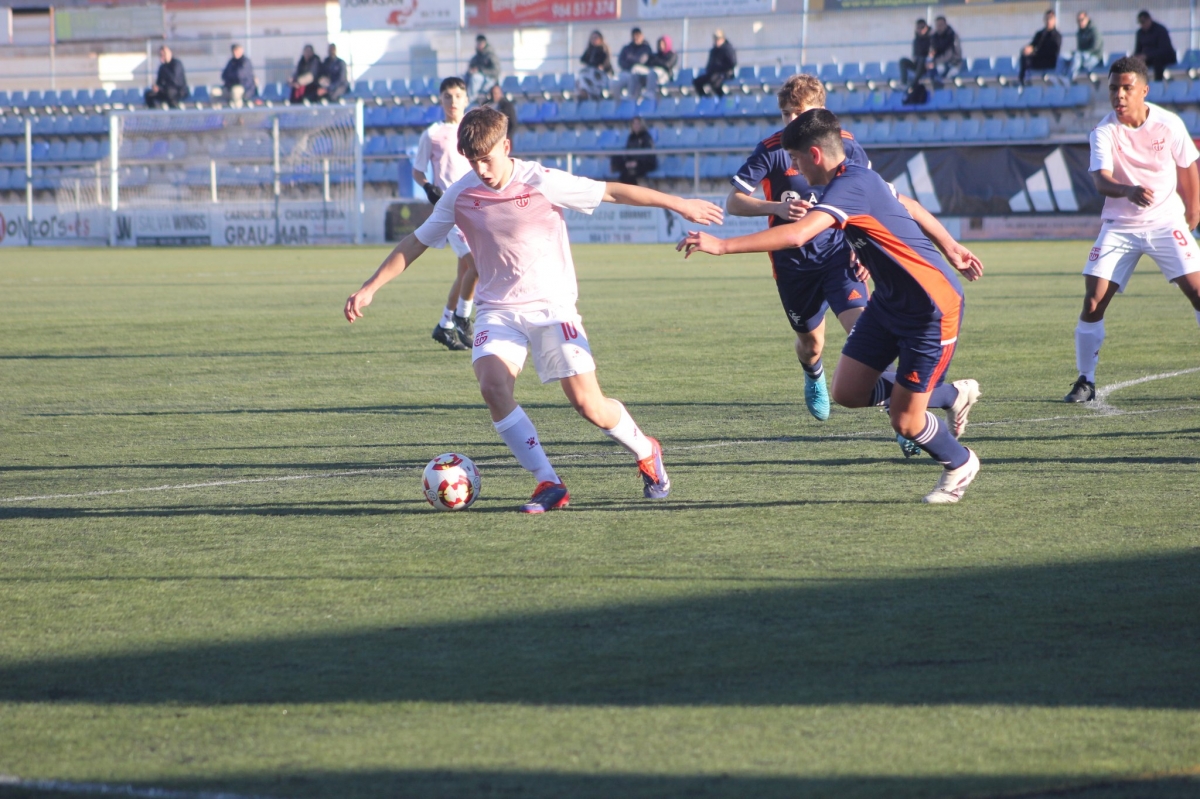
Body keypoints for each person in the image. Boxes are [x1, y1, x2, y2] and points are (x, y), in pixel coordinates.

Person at [345, 107, 723, 513]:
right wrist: (371, 287)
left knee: (588, 405)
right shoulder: (461, 194)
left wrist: (679, 204)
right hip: (498, 310)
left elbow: (612, 190)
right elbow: (416, 242)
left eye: (487, 158)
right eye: (473, 162)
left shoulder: (542, 181)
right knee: (492, 386)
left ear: (506, 146)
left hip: (552, 307)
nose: (482, 169)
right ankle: (548, 481)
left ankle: (645, 448)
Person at [683, 109, 985, 504]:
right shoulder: (853, 180)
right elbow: (907, 203)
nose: (791, 168)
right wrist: (951, 246)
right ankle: (950, 394)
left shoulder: (849, 186)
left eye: (794, 159)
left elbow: (797, 235)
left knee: (906, 421)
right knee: (847, 391)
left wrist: (721, 245)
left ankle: (960, 463)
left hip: (930, 310)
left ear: (814, 154)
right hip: (888, 303)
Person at [724, 73, 981, 444]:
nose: (791, 122)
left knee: (867, 340)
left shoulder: (845, 148)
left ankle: (911, 419)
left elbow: (882, 200)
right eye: (785, 114)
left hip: (839, 257)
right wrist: (775, 206)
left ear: (821, 113)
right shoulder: (773, 148)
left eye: (799, 113)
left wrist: (870, 247)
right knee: (812, 343)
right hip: (793, 264)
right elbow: (734, 201)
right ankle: (814, 374)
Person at [1064, 56, 1200, 403]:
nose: (1119, 95)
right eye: (1113, 88)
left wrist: (1194, 211)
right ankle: (1085, 380)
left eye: (1126, 88)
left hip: (1166, 221)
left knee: (1199, 292)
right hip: (1120, 226)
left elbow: (1188, 167)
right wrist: (1127, 190)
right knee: (1093, 301)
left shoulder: (1169, 125)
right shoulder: (1104, 131)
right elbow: (1100, 180)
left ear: (1143, 91)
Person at [413, 77, 480, 352]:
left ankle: (445, 324)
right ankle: (463, 317)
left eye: (457, 96)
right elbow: (418, 170)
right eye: (447, 97)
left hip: (476, 205)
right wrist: (428, 187)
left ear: (466, 99)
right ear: (440, 101)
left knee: (465, 271)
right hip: (451, 208)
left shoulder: (475, 128)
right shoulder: (432, 134)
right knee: (476, 264)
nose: (453, 101)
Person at [1019, 9, 1062, 85]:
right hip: (1038, 59)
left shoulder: (1057, 35)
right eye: (1047, 19)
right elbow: (1033, 44)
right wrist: (1028, 48)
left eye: (1050, 19)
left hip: (1049, 61)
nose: (1048, 21)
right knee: (1024, 56)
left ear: (1054, 20)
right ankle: (1023, 80)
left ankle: (1025, 80)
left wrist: (1035, 51)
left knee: (1029, 61)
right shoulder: (1040, 34)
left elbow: (1053, 51)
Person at [1061, 11, 1105, 83]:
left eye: (1082, 20)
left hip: (1094, 57)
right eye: (1078, 21)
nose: (1080, 22)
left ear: (1087, 19)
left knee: (1077, 56)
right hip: (1083, 57)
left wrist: (1082, 53)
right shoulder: (1079, 33)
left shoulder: (1094, 31)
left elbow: (1095, 48)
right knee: (1063, 57)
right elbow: (1079, 48)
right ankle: (1060, 78)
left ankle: (1069, 79)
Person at [611, 117, 656, 185]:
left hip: (644, 163)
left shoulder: (646, 137)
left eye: (638, 124)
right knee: (622, 168)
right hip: (632, 163)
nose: (636, 126)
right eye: (634, 124)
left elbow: (648, 154)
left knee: (631, 173)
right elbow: (628, 152)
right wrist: (628, 162)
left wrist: (637, 162)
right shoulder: (631, 137)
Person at [1135, 10, 1177, 82]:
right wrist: (1137, 57)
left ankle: (1158, 83)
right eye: (1140, 23)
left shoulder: (1160, 30)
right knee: (1136, 63)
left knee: (1157, 61)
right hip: (1149, 58)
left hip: (1165, 57)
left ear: (1149, 19)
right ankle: (1142, 83)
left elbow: (1164, 49)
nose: (1142, 25)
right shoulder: (1140, 33)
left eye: (1143, 22)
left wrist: (1147, 55)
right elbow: (1138, 49)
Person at [693, 30, 737, 97]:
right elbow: (710, 63)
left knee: (714, 81)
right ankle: (706, 98)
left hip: (724, 73)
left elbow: (732, 63)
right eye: (715, 39)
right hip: (713, 73)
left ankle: (722, 98)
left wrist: (720, 68)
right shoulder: (714, 50)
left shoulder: (728, 49)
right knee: (697, 82)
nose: (717, 41)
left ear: (723, 39)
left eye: (718, 39)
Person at [144, 45, 188, 109]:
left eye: (164, 54)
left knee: (170, 93)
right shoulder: (162, 67)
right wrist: (157, 87)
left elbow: (175, 81)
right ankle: (154, 114)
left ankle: (174, 113)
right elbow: (159, 81)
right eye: (161, 55)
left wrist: (162, 88)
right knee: (148, 94)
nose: (162, 56)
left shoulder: (176, 64)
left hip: (178, 91)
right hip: (164, 90)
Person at [617, 27, 654, 98]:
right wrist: (630, 64)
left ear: (642, 36)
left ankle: (630, 96)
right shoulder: (627, 48)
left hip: (643, 73)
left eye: (638, 35)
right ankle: (618, 103)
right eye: (634, 35)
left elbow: (642, 61)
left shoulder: (646, 48)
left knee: (635, 69)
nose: (635, 37)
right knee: (615, 82)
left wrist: (630, 61)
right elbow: (621, 61)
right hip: (627, 71)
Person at [577, 30, 613, 100]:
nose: (594, 40)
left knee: (588, 74)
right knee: (581, 75)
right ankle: (584, 93)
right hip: (591, 75)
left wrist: (598, 66)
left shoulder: (603, 50)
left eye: (596, 38)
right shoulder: (590, 50)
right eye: (592, 38)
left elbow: (605, 64)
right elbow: (583, 60)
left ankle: (592, 94)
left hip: (601, 76)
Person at [929, 16, 963, 88]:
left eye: (941, 25)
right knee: (934, 70)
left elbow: (950, 54)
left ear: (945, 25)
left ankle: (946, 93)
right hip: (940, 63)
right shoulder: (934, 37)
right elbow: (932, 52)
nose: (939, 27)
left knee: (945, 73)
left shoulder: (952, 36)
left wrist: (935, 62)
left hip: (954, 63)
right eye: (937, 25)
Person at [221, 44, 256, 108]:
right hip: (230, 87)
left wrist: (230, 77)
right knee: (215, 93)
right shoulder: (231, 62)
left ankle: (238, 116)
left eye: (237, 50)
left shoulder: (245, 62)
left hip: (245, 88)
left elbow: (239, 76)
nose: (235, 53)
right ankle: (217, 116)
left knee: (236, 91)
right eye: (234, 51)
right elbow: (224, 75)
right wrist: (229, 81)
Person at [466, 35, 500, 99]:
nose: (479, 45)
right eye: (478, 43)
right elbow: (470, 67)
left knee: (475, 78)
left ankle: (471, 99)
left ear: (485, 43)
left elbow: (496, 71)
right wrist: (471, 71)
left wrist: (480, 71)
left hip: (490, 79)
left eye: (481, 43)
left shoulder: (491, 56)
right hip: (477, 78)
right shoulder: (476, 57)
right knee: (462, 77)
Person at [900, 19, 932, 88]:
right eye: (918, 28)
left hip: (926, 65)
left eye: (922, 27)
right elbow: (915, 54)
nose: (920, 30)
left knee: (922, 59)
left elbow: (933, 53)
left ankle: (914, 83)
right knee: (903, 61)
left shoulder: (931, 39)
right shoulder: (916, 40)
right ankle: (903, 83)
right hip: (917, 64)